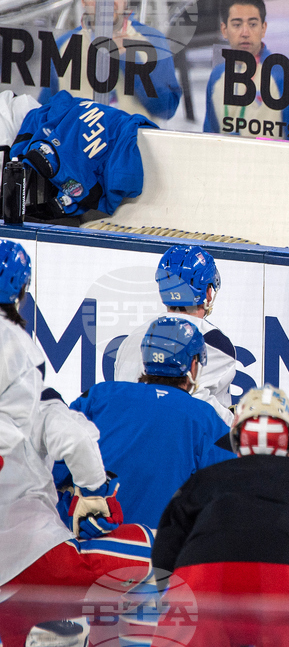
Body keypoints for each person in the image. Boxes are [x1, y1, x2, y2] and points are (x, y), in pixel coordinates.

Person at [0, 240, 153, 647]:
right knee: (159, 549)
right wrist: (94, 490)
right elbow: (70, 435)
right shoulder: (20, 360)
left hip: (16, 572)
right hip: (27, 551)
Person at [152, 385, 289, 647]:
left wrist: (171, 597)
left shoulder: (202, 481)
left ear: (236, 439)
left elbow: (166, 550)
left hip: (202, 584)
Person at [71, 315, 235, 526]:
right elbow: (233, 485)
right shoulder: (203, 417)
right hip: (161, 550)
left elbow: (55, 461)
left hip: (95, 548)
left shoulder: (97, 397)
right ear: (192, 364)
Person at [114, 244, 238, 425]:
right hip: (178, 441)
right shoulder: (215, 341)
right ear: (208, 293)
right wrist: (236, 422)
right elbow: (197, 407)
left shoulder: (131, 338)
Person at [38, 0, 181, 121]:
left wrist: (129, 59)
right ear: (83, 0)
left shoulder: (152, 40)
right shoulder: (63, 45)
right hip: (80, 142)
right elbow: (45, 113)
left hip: (134, 141)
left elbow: (167, 109)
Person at [204, 0, 289, 140]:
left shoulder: (283, 75)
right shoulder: (217, 76)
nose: (245, 32)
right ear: (224, 30)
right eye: (237, 24)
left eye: (252, 24)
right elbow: (208, 138)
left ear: (263, 28)